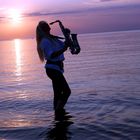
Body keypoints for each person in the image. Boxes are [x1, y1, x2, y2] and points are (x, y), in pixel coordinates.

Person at [36, 21, 71, 112]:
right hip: (53, 69)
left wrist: (67, 36)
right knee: (67, 91)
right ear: (44, 30)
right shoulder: (45, 41)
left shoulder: (52, 39)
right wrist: (63, 49)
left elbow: (65, 45)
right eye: (48, 27)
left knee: (58, 94)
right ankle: (59, 111)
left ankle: (57, 115)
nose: (50, 28)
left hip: (56, 69)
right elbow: (51, 55)